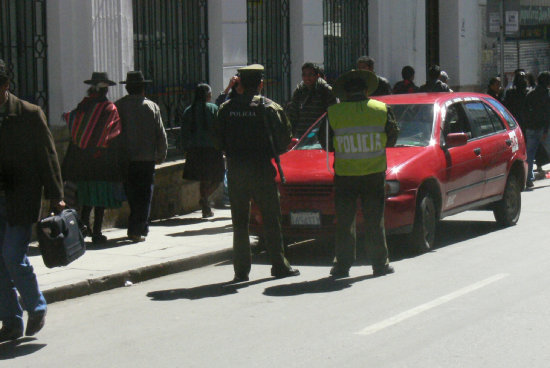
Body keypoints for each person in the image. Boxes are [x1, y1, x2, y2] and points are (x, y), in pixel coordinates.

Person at [0, 58, 65, 341]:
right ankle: (11, 321)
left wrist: (56, 196)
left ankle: (36, 306)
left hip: (20, 200)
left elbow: (47, 157)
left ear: (5, 86)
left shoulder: (28, 114)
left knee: (13, 255)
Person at [216, 64, 299, 282]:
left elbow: (217, 140)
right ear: (261, 84)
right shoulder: (270, 108)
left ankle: (241, 271)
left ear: (240, 84)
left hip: (236, 171)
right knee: (272, 219)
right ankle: (279, 265)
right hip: (262, 168)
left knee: (240, 223)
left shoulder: (226, 109)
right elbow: (284, 139)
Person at [318, 69, 398, 278]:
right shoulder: (382, 109)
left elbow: (325, 143)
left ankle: (342, 266)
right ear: (365, 89)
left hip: (345, 176)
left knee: (345, 222)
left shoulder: (333, 112)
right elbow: (392, 139)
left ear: (345, 92)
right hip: (374, 174)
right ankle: (380, 264)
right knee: (374, 220)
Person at [62, 72, 123, 244]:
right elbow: (112, 132)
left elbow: (74, 122)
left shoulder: (83, 106)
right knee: (100, 199)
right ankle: (96, 232)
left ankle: (82, 229)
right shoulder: (109, 109)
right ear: (105, 90)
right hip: (101, 161)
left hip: (83, 160)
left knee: (86, 197)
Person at [116, 71, 167, 242]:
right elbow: (161, 134)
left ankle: (137, 227)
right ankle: (138, 229)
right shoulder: (152, 107)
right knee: (144, 196)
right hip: (146, 159)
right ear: (143, 88)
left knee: (131, 193)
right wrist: (161, 153)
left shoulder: (118, 106)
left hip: (126, 159)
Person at [180, 83, 224, 218]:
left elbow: (184, 132)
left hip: (194, 150)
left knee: (203, 179)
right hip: (212, 150)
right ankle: (204, 200)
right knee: (218, 178)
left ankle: (205, 203)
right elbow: (220, 129)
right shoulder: (214, 109)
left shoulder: (189, 110)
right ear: (208, 95)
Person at [287, 62, 337, 138]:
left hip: (320, 137)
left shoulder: (326, 91)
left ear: (317, 76)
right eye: (304, 75)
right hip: (301, 137)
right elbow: (293, 116)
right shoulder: (299, 91)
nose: (307, 78)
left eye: (310, 74)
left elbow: (333, 115)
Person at [524, 71, 550, 188]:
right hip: (544, 128)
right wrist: (545, 130)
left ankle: (529, 178)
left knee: (530, 154)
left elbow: (525, 111)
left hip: (531, 128)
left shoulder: (530, 94)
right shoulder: (546, 95)